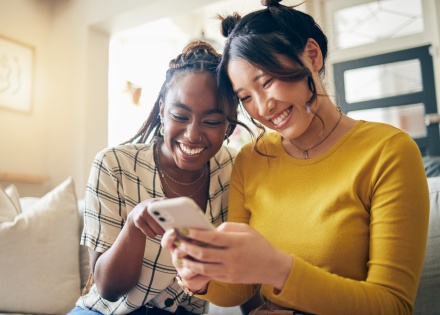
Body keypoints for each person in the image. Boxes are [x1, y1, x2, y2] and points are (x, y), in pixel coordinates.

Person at [161, 1, 430, 314]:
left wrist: (279, 269)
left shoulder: (388, 152)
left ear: (311, 56)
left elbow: (392, 305)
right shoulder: (251, 159)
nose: (262, 107)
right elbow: (238, 289)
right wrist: (201, 280)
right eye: (245, 97)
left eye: (266, 81)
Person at [68, 40, 245, 315]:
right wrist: (133, 227)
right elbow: (108, 289)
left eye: (211, 121)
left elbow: (242, 267)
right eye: (180, 116)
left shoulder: (235, 169)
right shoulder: (113, 165)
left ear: (229, 124)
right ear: (162, 110)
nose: (192, 134)